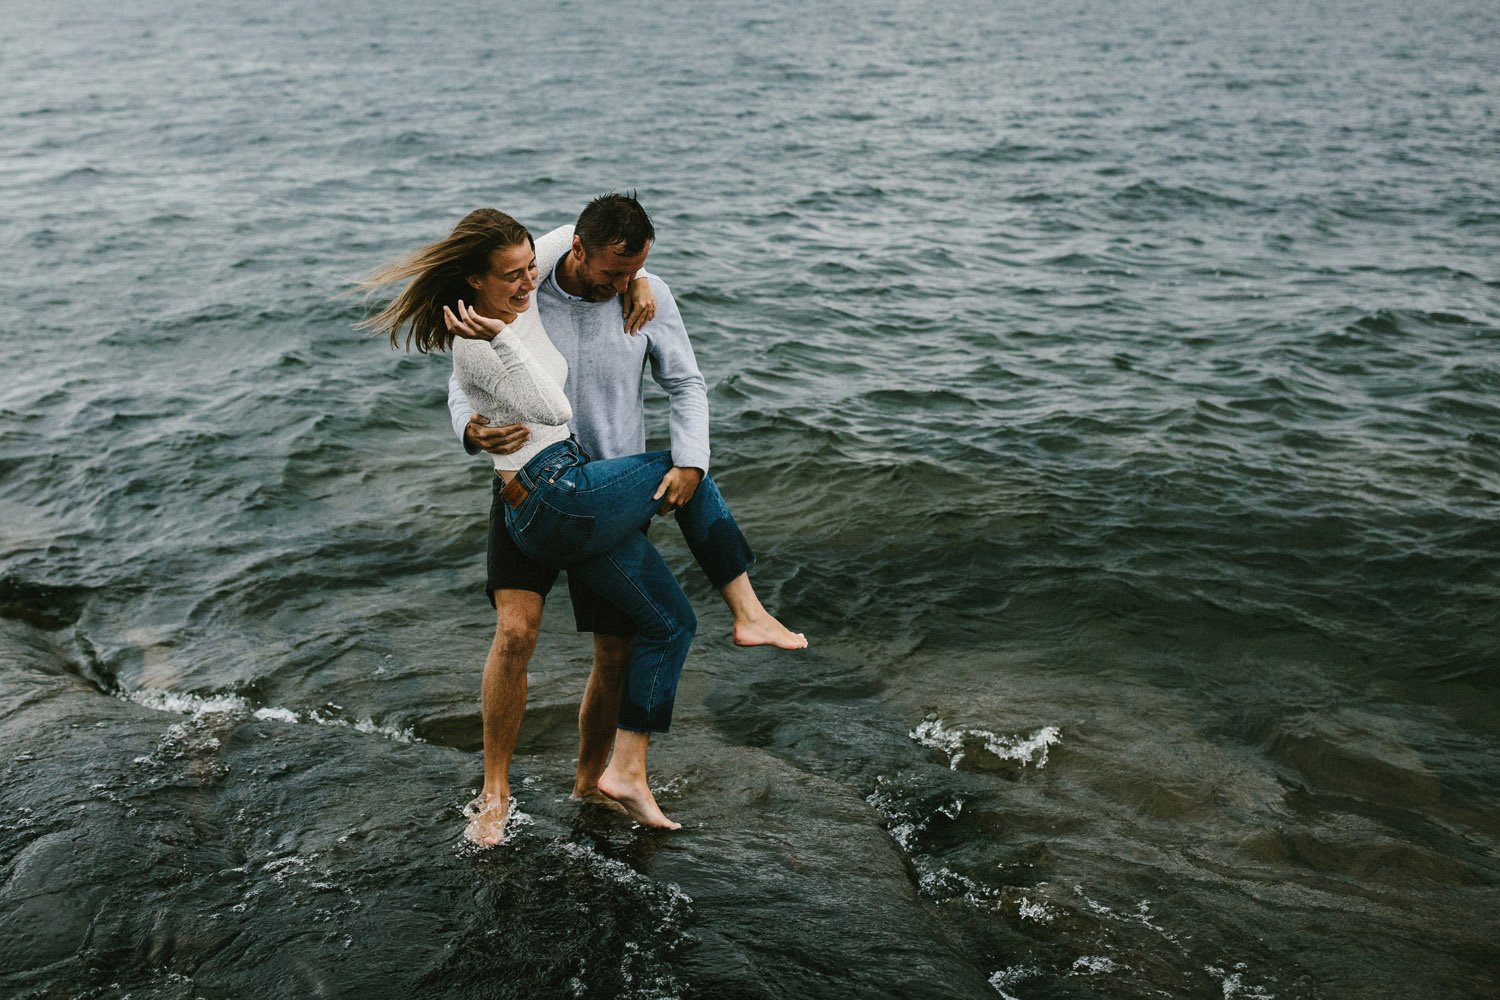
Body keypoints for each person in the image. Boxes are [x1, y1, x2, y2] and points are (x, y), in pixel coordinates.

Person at [361, 196, 803, 844]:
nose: (622, 287)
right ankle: (494, 792)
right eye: (612, 274)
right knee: (516, 633)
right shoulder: (529, 287)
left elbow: (687, 384)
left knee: (617, 648)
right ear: (575, 252)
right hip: (531, 485)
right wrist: (469, 426)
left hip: (614, 492)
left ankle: (592, 784)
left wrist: (692, 462)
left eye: (633, 275)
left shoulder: (649, 296)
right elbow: (471, 366)